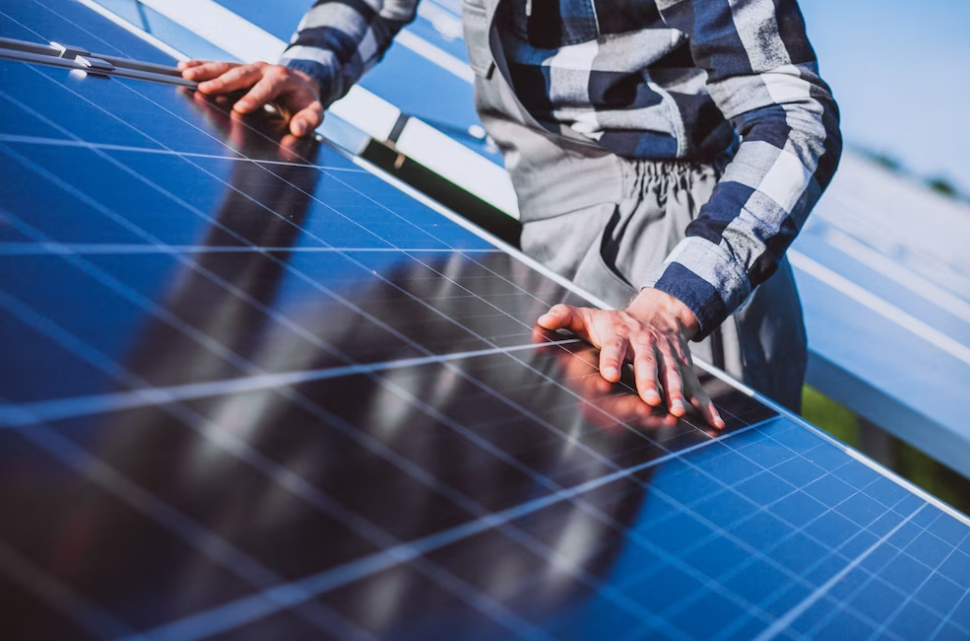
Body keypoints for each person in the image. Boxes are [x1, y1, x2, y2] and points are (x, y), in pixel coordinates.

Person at [179, 0, 841, 428]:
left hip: (677, 267)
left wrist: (670, 305)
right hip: (553, 235)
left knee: (674, 568)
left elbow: (794, 118)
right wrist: (311, 70)